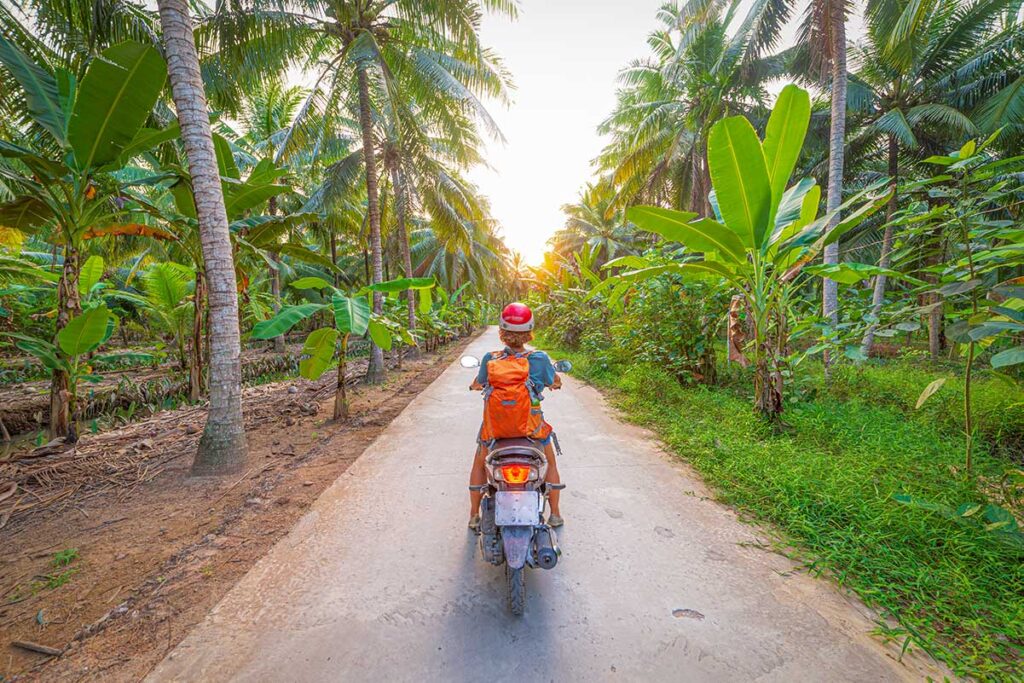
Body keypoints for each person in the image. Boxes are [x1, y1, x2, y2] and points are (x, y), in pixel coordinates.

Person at [468, 302, 564, 531]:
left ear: (501, 332)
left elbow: (478, 383)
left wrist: (473, 386)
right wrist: (554, 383)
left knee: (479, 464)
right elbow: (554, 382)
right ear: (529, 332)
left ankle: (473, 515)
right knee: (549, 460)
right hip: (532, 428)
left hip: (496, 429)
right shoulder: (540, 358)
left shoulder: (490, 359)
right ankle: (556, 514)